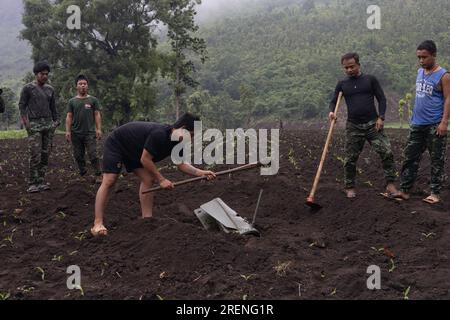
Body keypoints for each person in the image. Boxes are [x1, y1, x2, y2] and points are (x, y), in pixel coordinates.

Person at [91, 113, 217, 236]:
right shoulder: (160, 135)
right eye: (192, 135)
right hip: (118, 143)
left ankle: (146, 219)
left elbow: (181, 164)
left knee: (148, 179)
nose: (192, 139)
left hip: (136, 151)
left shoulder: (179, 142)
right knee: (110, 180)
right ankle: (98, 223)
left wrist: (201, 173)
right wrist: (161, 180)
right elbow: (145, 159)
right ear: (183, 129)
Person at [329, 52, 398, 198]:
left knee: (386, 152)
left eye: (352, 67)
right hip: (353, 126)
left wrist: (381, 117)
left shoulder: (370, 80)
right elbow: (333, 101)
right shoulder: (342, 84)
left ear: (358, 65)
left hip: (373, 125)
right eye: (346, 68)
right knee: (350, 158)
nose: (349, 70)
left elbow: (382, 99)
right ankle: (349, 186)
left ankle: (390, 184)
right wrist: (331, 113)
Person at [393, 40, 450, 204]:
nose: (421, 60)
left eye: (424, 57)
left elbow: (448, 99)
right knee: (410, 157)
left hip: (434, 124)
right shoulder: (420, 72)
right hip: (417, 123)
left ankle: (435, 193)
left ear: (434, 55)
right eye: (419, 57)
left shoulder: (444, 76)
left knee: (436, 160)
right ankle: (404, 190)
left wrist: (444, 121)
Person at [19, 61, 60, 193]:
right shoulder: (28, 88)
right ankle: (32, 183)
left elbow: (53, 108)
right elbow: (22, 106)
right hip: (34, 125)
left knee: (45, 154)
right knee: (35, 154)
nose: (45, 76)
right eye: (42, 74)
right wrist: (26, 123)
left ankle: (41, 181)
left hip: (48, 125)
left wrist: (56, 121)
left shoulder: (50, 89)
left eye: (47, 74)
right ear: (36, 74)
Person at [65, 75, 102, 183]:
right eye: (80, 84)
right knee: (78, 155)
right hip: (75, 133)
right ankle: (83, 172)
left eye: (84, 84)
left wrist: (98, 129)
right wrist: (67, 131)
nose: (82, 86)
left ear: (87, 86)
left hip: (89, 133)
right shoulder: (72, 101)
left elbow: (97, 114)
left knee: (93, 154)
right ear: (76, 86)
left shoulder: (93, 100)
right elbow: (69, 116)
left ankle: (98, 174)